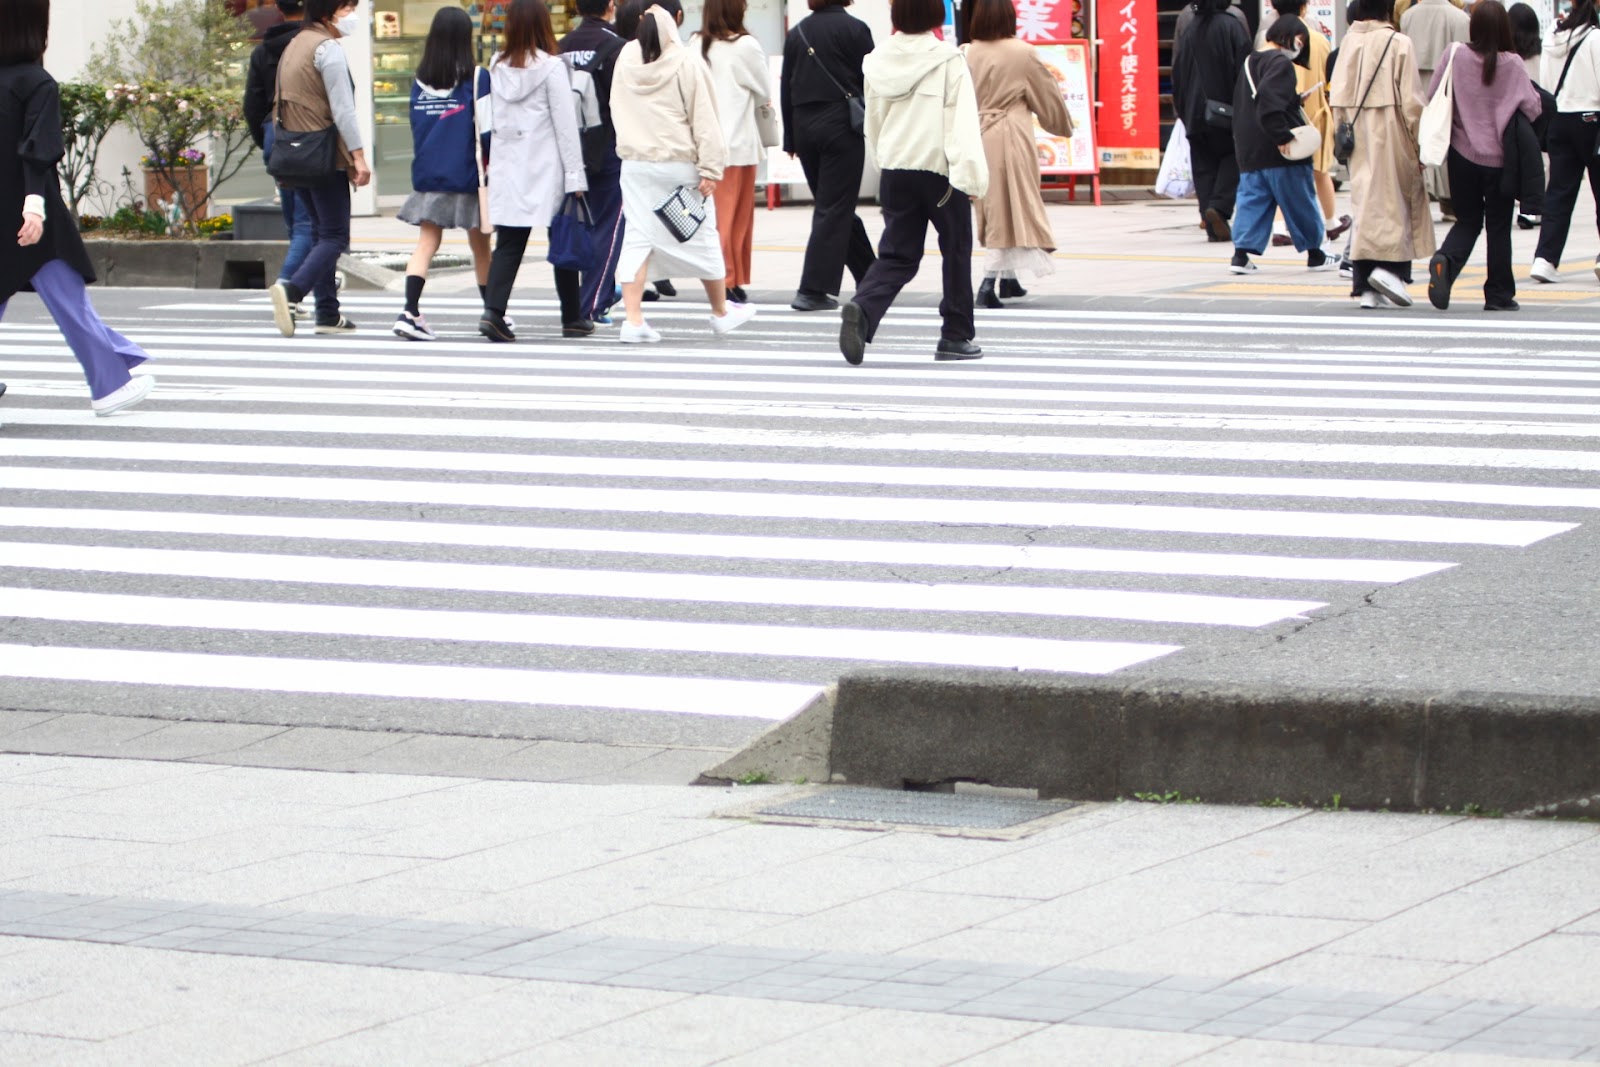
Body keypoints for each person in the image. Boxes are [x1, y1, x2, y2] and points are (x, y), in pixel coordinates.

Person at [0, 0, 153, 415]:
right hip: (30, 214)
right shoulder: (36, 83)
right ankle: (110, 383)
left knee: (65, 298)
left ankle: (116, 367)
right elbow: (38, 152)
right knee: (69, 297)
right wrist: (34, 206)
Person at [838, 0, 988, 364]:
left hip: (895, 169)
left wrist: (885, 160)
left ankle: (864, 307)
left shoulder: (877, 60)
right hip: (939, 171)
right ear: (936, 15)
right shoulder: (949, 60)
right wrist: (970, 177)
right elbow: (962, 122)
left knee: (898, 254)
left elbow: (873, 121)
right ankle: (955, 334)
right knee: (955, 250)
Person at [610, 4, 758, 342]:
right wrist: (710, 166)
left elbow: (615, 106)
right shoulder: (686, 59)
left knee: (637, 237)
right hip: (678, 163)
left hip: (635, 164)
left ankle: (633, 321)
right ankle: (721, 312)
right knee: (701, 232)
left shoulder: (625, 59)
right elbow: (704, 117)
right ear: (673, 23)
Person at [477, 0, 588, 342]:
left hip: (509, 164)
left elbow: (490, 118)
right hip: (545, 166)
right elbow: (565, 126)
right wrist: (576, 176)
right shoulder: (553, 68)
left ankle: (493, 312)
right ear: (543, 25)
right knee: (562, 239)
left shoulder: (497, 64)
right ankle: (572, 316)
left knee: (509, 242)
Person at [1424, 0, 1542, 310]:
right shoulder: (1514, 64)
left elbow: (1433, 94)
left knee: (1467, 221)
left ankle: (1445, 260)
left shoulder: (1455, 54)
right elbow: (1533, 107)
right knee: (1498, 226)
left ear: (1473, 26)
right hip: (1502, 161)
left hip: (1461, 156)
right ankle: (1499, 295)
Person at [266, 0, 373, 338]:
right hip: (323, 152)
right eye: (347, 8)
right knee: (334, 235)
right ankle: (293, 291)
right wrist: (358, 156)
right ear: (329, 12)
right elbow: (343, 111)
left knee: (317, 232)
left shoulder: (295, 44)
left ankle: (327, 313)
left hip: (295, 152)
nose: (351, 15)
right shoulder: (327, 49)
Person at [963, 0, 1071, 308]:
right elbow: (1047, 95)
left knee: (993, 207)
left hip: (977, 133)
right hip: (1011, 134)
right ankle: (988, 281)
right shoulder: (1022, 52)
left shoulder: (967, 51)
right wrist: (1062, 124)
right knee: (1014, 204)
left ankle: (1009, 280)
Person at [393, 6, 492, 341]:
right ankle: (492, 313)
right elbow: (489, 130)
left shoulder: (419, 83)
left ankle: (410, 311)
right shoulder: (477, 78)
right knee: (481, 246)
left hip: (430, 173)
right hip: (467, 175)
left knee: (426, 242)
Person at [1330, 0, 1434, 308]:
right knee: (1396, 203)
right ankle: (1390, 272)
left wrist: (1342, 133)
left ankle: (1364, 286)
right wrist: (1419, 143)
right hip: (1392, 131)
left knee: (1365, 206)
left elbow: (1337, 97)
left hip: (1356, 133)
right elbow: (1412, 102)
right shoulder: (1399, 42)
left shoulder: (1348, 41)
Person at [780, 0, 876, 311]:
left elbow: (786, 88)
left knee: (834, 204)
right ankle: (812, 289)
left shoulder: (797, 33)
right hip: (842, 126)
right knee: (834, 207)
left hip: (804, 127)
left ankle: (871, 276)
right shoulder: (856, 29)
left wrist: (790, 139)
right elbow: (870, 82)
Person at [1229, 16, 1333, 274]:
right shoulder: (1280, 64)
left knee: (1252, 201)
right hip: (1280, 150)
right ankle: (1315, 254)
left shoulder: (1250, 60)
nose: (1300, 46)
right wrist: (1283, 136)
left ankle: (1241, 257)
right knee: (1299, 201)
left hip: (1250, 149)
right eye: (1301, 40)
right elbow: (1268, 103)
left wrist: (1294, 99)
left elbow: (1256, 100)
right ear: (1293, 37)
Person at [557, 0, 628, 326]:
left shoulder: (561, 46)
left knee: (577, 224)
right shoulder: (618, 46)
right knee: (608, 227)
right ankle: (594, 302)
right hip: (608, 148)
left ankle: (580, 301)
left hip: (567, 150)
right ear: (610, 6)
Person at [243, 0, 314, 322]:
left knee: (296, 222)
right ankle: (288, 288)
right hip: (305, 140)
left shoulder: (262, 51)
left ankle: (306, 293)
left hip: (276, 138)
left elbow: (252, 104)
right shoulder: (313, 44)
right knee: (309, 225)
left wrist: (267, 140)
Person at [696, 0, 769, 305]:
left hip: (707, 145)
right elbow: (764, 90)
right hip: (739, 143)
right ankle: (730, 280)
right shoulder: (746, 46)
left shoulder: (696, 44)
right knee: (738, 219)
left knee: (719, 220)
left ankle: (730, 279)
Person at [1530, 0, 1600, 284]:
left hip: (1559, 118)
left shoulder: (1552, 36)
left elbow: (1545, 83)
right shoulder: (1595, 36)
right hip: (1592, 120)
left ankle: (1544, 259)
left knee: (1558, 192)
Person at [1172, 0, 1253, 241]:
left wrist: (1183, 111)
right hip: (1225, 110)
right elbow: (1245, 71)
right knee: (1233, 157)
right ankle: (1219, 207)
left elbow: (1177, 72)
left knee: (1204, 167)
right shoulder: (1232, 26)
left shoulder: (1189, 30)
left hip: (1193, 112)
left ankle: (1212, 226)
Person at [1402, 0, 1470, 219]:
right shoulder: (1459, 18)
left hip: (1414, 84)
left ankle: (1420, 197)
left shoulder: (1408, 16)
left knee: (1417, 139)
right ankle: (1450, 200)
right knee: (1447, 139)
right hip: (1448, 85)